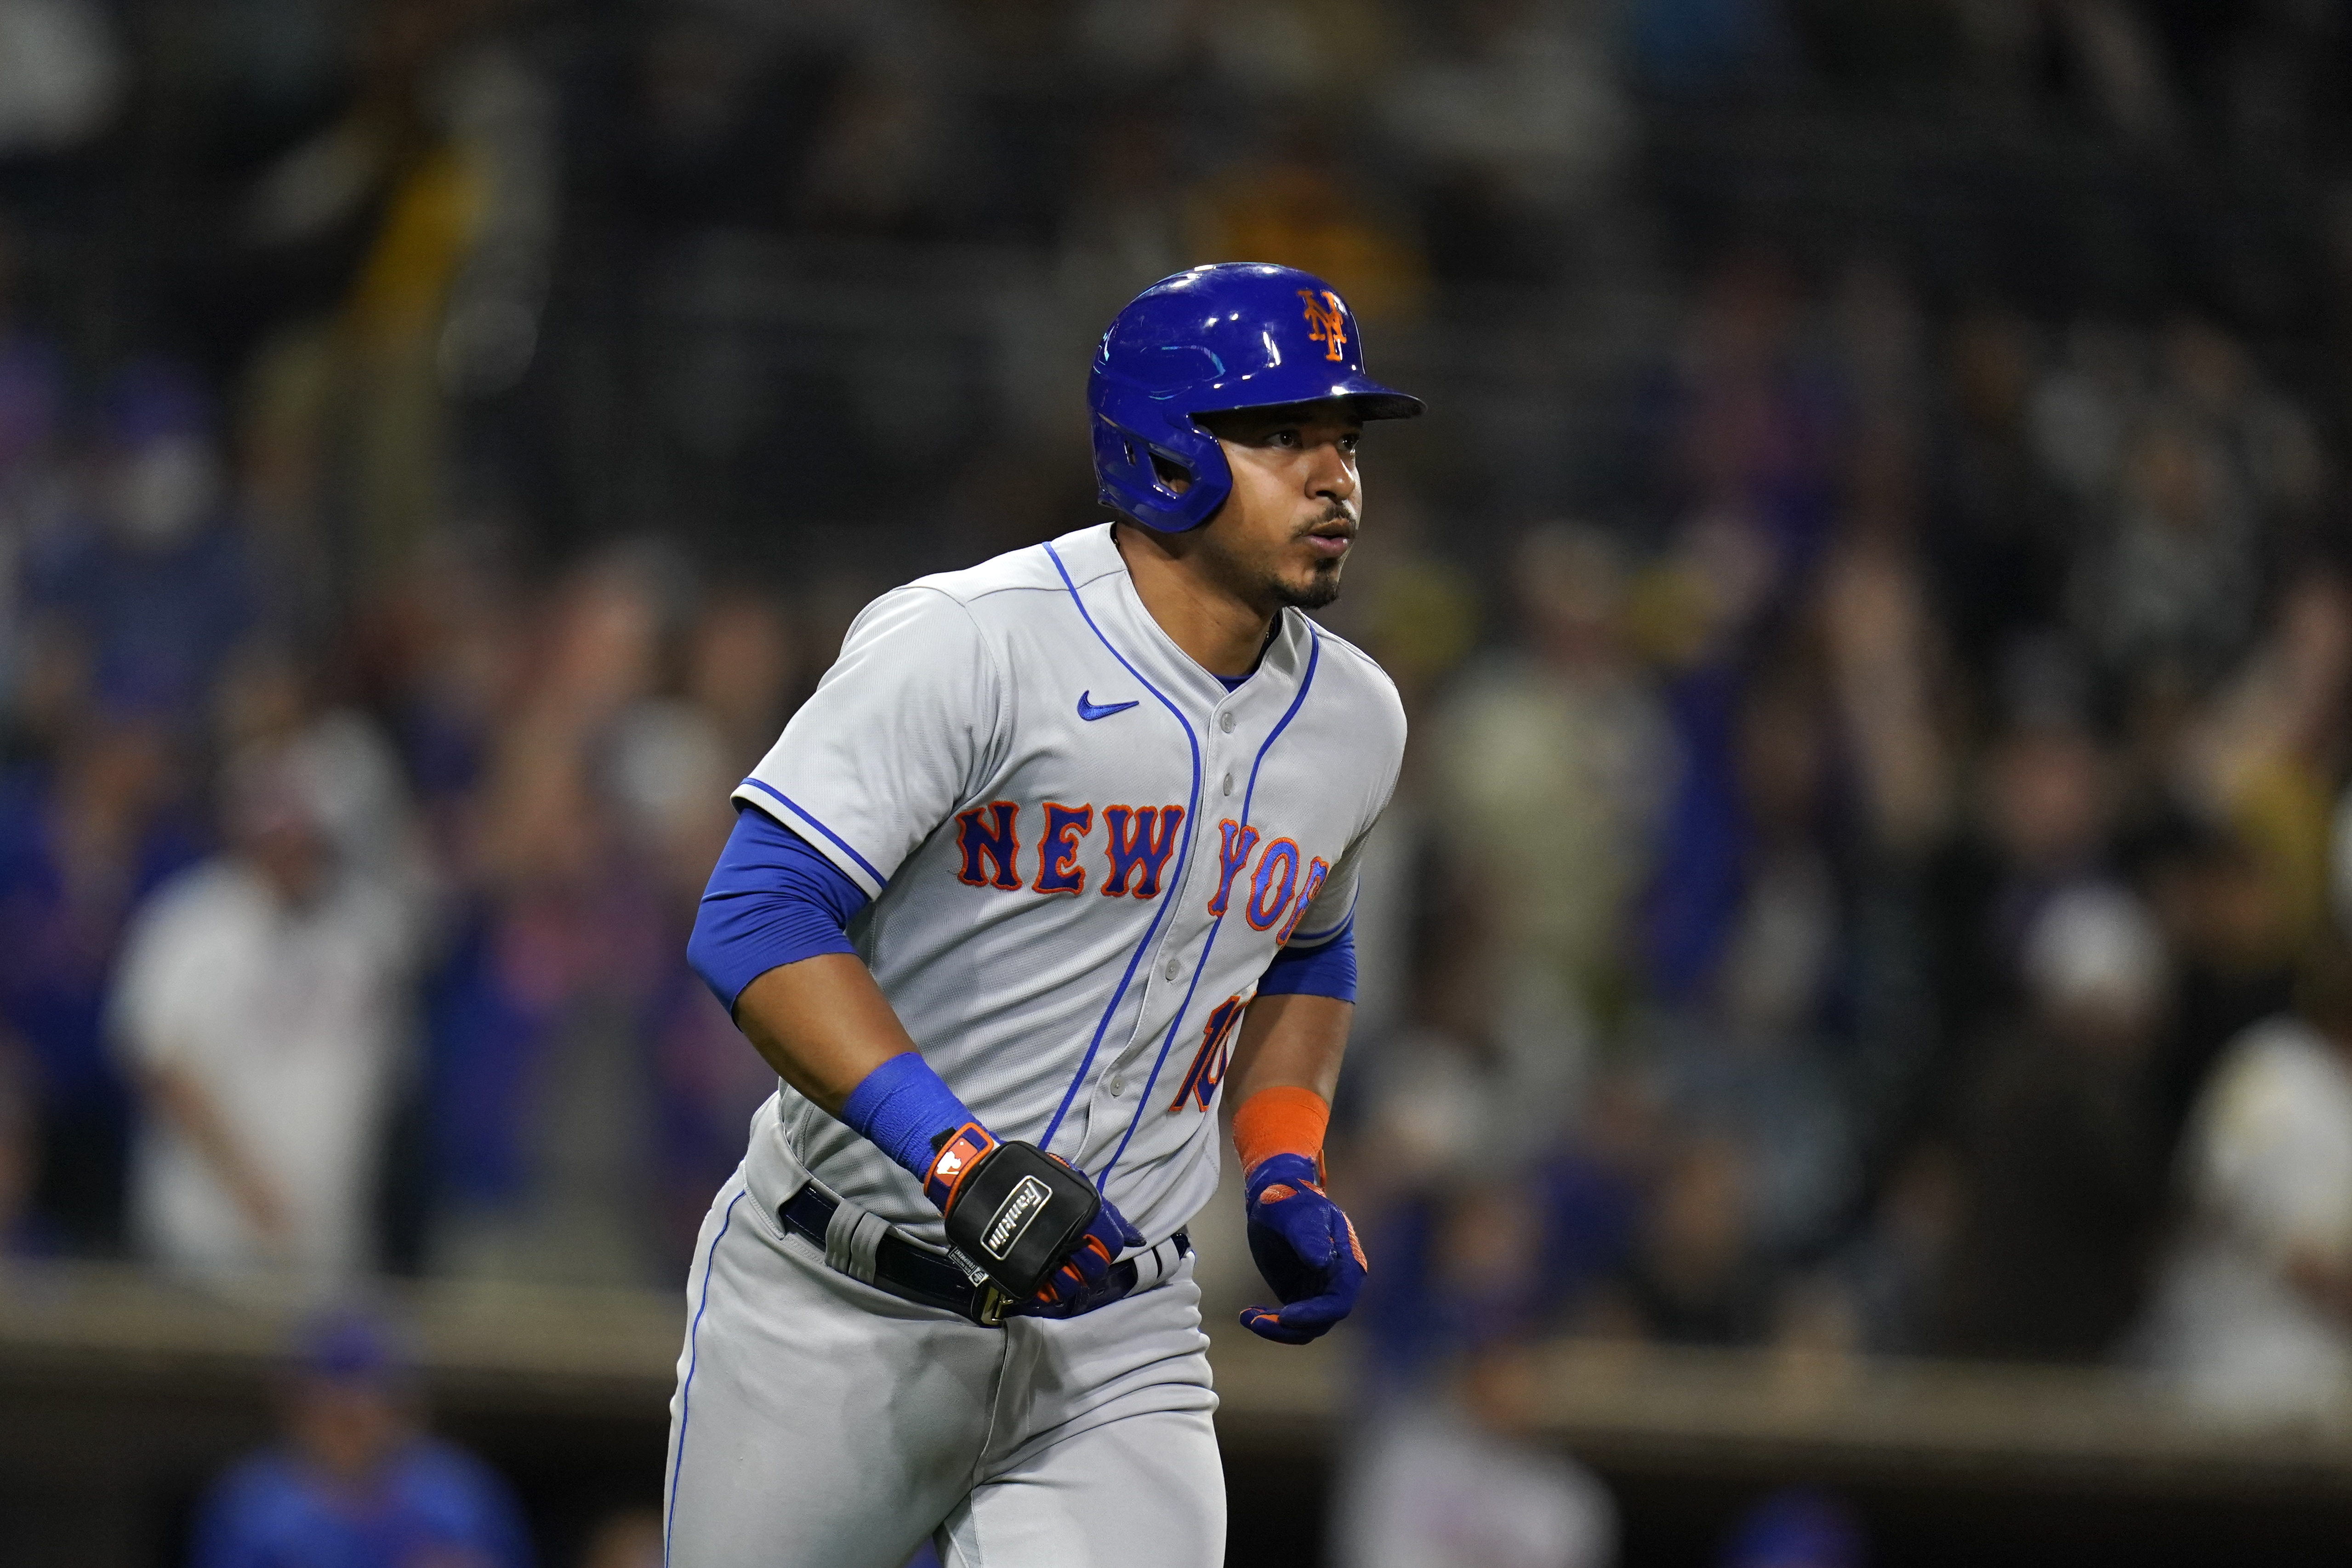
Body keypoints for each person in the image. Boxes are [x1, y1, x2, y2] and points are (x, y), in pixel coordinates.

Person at [661, 264, 1418, 1568]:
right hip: (839, 1297)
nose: (1333, 474)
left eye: (1343, 438)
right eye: (1282, 433)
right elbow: (756, 917)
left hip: (1115, 1335)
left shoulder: (1354, 717)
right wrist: (956, 1158)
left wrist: (1285, 1158)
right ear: (1165, 448)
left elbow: (1309, 944)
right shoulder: (973, 640)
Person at [112, 742, 416, 1281]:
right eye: (276, 835)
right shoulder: (193, 923)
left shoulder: (364, 931)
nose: (290, 849)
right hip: (202, 1240)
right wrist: (247, 1186)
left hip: (328, 1245)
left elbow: (384, 1073)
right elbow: (159, 1062)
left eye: (301, 835)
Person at [189, 1310, 531, 1568]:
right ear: (294, 1405)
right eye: (335, 1411)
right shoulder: (252, 1505)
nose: (354, 1415)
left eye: (371, 1404)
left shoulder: (460, 1496)